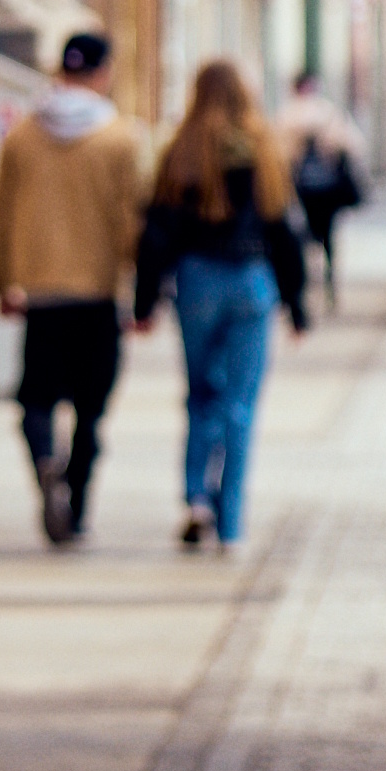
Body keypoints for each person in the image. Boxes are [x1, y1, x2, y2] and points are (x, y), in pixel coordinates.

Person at [134, 62, 306, 549]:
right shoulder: (265, 150)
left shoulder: (182, 150)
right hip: (252, 282)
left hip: (196, 282)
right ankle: (230, 520)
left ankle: (195, 498)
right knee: (241, 404)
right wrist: (298, 306)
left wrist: (144, 301)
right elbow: (285, 232)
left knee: (200, 396)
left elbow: (157, 233)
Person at [0, 30, 145, 546]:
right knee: (90, 407)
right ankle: (75, 503)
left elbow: (2, 215)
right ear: (101, 74)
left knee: (35, 397)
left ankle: (44, 464)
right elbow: (130, 221)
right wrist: (136, 285)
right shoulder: (120, 140)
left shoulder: (23, 136)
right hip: (97, 293)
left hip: (40, 292)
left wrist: (4, 281)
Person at [282, 72, 366, 309]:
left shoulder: (286, 115)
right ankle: (330, 284)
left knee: (301, 237)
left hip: (300, 191)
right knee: (328, 238)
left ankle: (305, 286)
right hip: (327, 190)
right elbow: (353, 144)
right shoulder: (327, 112)